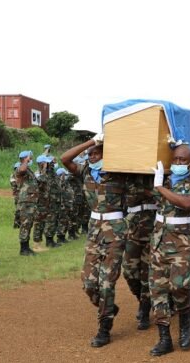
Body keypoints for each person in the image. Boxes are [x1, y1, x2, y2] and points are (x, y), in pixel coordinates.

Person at [61, 133, 126, 347]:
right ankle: (108, 308)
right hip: (93, 229)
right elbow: (65, 159)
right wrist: (92, 142)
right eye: (90, 155)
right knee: (88, 282)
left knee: (106, 282)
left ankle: (104, 328)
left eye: (96, 154)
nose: (92, 157)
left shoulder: (119, 173)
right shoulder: (86, 171)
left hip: (115, 230)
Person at [148, 142, 190, 356]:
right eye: (175, 159)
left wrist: (160, 187)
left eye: (183, 160)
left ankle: (186, 322)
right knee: (158, 289)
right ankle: (164, 338)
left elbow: (188, 203)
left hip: (183, 242)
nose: (179, 163)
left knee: (179, 285)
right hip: (160, 240)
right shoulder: (164, 177)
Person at [123, 170, 157, 330]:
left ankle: (144, 309)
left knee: (147, 273)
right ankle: (142, 299)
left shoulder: (160, 175)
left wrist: (147, 190)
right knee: (129, 271)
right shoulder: (126, 175)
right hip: (133, 229)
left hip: (154, 228)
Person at [15, 150, 39, 256]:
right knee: (25, 224)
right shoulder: (20, 168)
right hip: (25, 202)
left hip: (30, 201)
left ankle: (26, 247)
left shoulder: (29, 170)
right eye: (30, 157)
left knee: (28, 224)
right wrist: (25, 161)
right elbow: (22, 170)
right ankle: (23, 249)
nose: (31, 158)